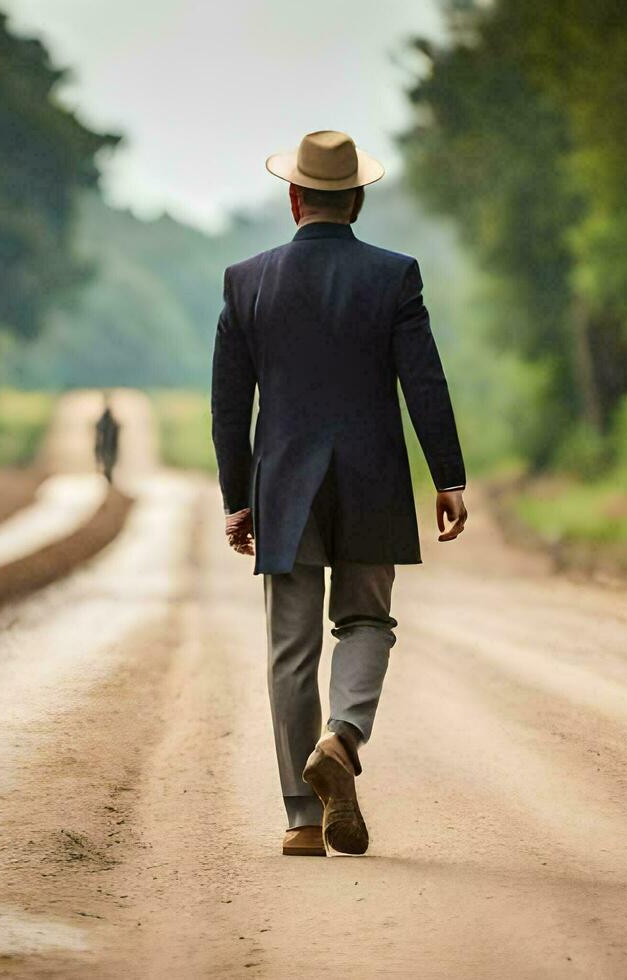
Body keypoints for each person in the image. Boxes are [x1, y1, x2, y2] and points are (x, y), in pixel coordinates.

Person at [210, 130, 468, 857]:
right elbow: (425, 383)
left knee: (288, 649)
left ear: (293, 197)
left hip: (283, 485)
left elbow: (230, 407)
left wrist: (238, 497)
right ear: (356, 199)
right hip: (372, 479)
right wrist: (448, 476)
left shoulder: (246, 280)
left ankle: (300, 818)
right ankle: (342, 737)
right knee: (365, 622)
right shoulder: (394, 276)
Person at [94, 393, 121, 483]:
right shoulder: (105, 419)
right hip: (107, 443)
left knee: (108, 459)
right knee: (107, 459)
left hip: (109, 443)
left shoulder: (108, 419)